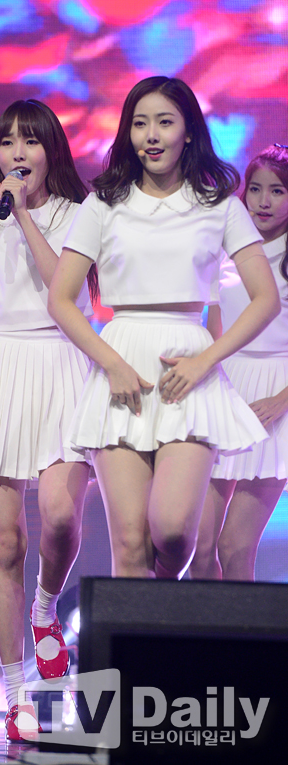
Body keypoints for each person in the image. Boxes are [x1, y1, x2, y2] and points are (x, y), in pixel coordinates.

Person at [47, 76, 280, 582]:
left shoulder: (219, 204)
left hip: (189, 367)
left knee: (173, 532)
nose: (151, 135)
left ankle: (159, 604)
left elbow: (266, 299)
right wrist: (111, 364)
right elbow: (60, 299)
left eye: (164, 122)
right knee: (130, 542)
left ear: (188, 132)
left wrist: (205, 360)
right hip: (121, 363)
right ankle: (138, 630)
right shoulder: (102, 203)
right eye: (140, 123)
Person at [0, 99, 96, 742]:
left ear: (52, 149)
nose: (18, 153)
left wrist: (25, 214)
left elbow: (64, 288)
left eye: (30, 141)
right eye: (8, 141)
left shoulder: (81, 213)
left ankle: (45, 607)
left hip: (62, 364)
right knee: (5, 543)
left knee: (60, 516)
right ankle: (15, 694)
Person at [191, 144, 288, 581]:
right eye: (256, 189)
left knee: (234, 548)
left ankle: (241, 630)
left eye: (278, 191)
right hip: (225, 392)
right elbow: (214, 331)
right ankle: (201, 626)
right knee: (197, 548)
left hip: (276, 400)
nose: (264, 201)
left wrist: (281, 401)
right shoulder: (226, 251)